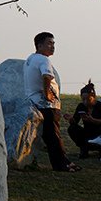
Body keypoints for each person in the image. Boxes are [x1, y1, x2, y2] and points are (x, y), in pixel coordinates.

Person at [24, 31, 78, 172]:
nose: (52, 46)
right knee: (53, 136)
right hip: (47, 105)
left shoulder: (30, 59)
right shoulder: (44, 60)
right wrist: (48, 94)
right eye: (49, 43)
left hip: (34, 102)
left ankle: (64, 161)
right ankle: (62, 165)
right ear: (39, 45)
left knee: (50, 136)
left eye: (53, 43)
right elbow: (47, 76)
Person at [64, 80, 101, 159]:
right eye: (83, 99)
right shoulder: (81, 106)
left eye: (88, 99)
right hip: (87, 132)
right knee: (72, 129)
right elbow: (75, 121)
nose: (85, 102)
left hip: (99, 132)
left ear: (93, 97)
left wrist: (92, 120)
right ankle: (84, 148)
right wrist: (71, 119)